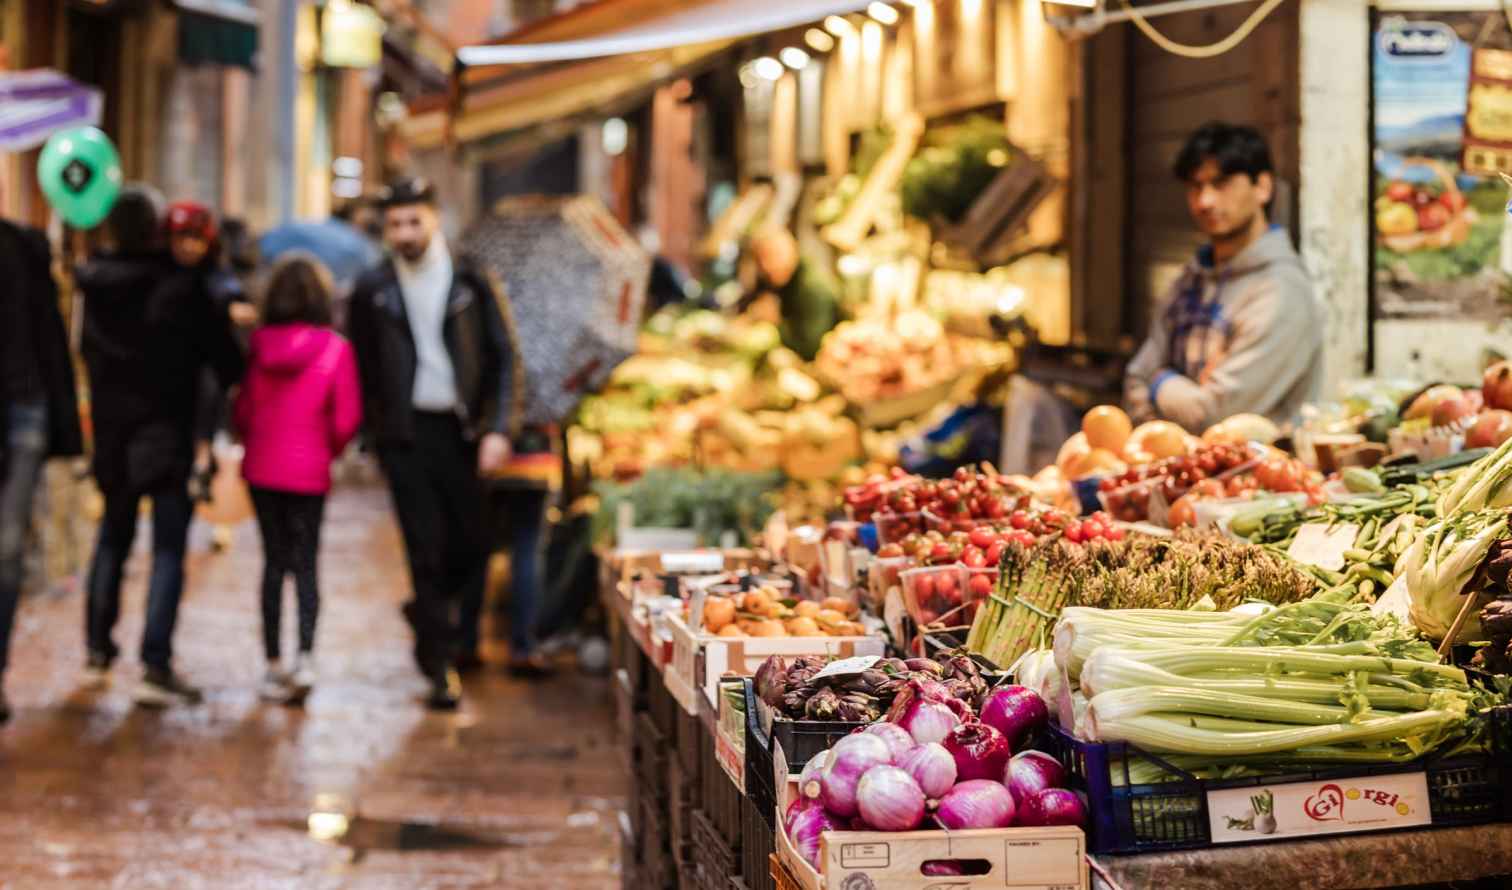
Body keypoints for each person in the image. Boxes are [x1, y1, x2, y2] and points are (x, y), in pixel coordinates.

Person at [348, 177, 521, 710]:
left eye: (412, 221)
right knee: (424, 549)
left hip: (463, 432)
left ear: (434, 218)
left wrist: (497, 429)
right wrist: (373, 432)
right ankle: (438, 665)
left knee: (474, 543)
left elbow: (504, 357)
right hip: (405, 434)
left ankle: (427, 613)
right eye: (394, 224)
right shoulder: (372, 288)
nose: (404, 233)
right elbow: (361, 365)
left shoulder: (471, 279)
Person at [77, 186, 245, 706]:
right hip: (167, 432)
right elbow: (227, 363)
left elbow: (88, 353)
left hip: (112, 433)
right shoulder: (180, 285)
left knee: (113, 538)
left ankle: (98, 650)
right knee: (168, 549)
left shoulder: (96, 285)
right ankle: (154, 664)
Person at [1124, 122, 1324, 434]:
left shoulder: (1281, 291)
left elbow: (1216, 416)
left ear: (1263, 187)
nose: (1205, 201)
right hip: (1177, 469)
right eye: (1195, 186)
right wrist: (1166, 419)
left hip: (1260, 476)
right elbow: (1134, 378)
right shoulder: (1190, 279)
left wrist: (1160, 380)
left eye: (1222, 183)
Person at [233, 256, 361, 703]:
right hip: (309, 472)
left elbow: (244, 408)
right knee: (306, 564)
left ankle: (271, 664)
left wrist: (254, 440)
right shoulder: (335, 349)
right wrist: (327, 449)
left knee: (273, 563)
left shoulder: (258, 345)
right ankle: (304, 658)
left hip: (263, 469)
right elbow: (346, 417)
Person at [0, 209, 84, 725]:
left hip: (22, 409)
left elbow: (49, 335)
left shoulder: (25, 246)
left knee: (7, 549)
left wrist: (66, 429)